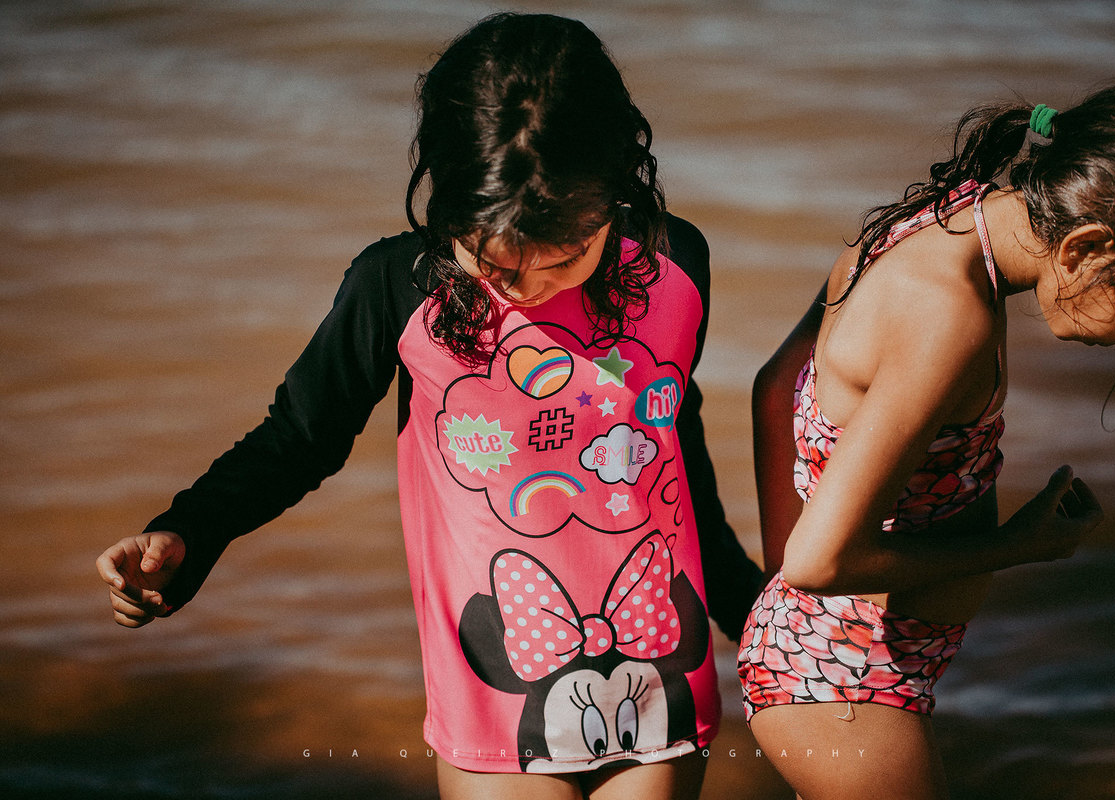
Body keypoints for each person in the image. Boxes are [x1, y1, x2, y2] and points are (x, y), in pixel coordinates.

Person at [96, 13, 763, 800]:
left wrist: (747, 607)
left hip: (659, 657)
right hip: (494, 679)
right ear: (448, 198)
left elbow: (671, 446)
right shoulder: (397, 288)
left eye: (563, 260)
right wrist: (191, 530)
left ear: (616, 186)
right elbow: (302, 438)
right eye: (496, 263)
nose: (527, 289)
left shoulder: (674, 266)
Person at [737, 75, 1115, 800]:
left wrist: (783, 619)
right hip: (845, 682)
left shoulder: (938, 221)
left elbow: (776, 386)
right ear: (1085, 248)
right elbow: (819, 561)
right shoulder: (946, 316)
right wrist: (1019, 546)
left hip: (834, 664)